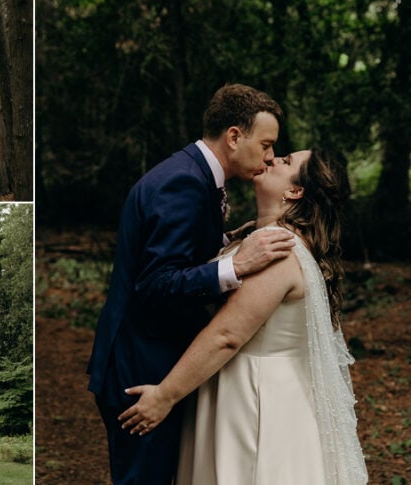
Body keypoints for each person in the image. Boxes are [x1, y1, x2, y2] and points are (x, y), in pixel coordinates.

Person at [87, 83, 297, 484]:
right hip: (142, 368)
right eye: (267, 144)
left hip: (149, 358)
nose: (270, 156)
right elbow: (154, 282)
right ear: (234, 136)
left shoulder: (194, 174)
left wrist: (228, 241)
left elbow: (178, 250)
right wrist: (236, 266)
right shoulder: (182, 183)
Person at [119, 148, 368, 484]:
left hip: (254, 396)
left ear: (295, 191)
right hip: (243, 385)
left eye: (286, 162)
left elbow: (227, 334)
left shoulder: (278, 249)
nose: (273, 158)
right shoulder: (261, 239)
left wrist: (164, 396)